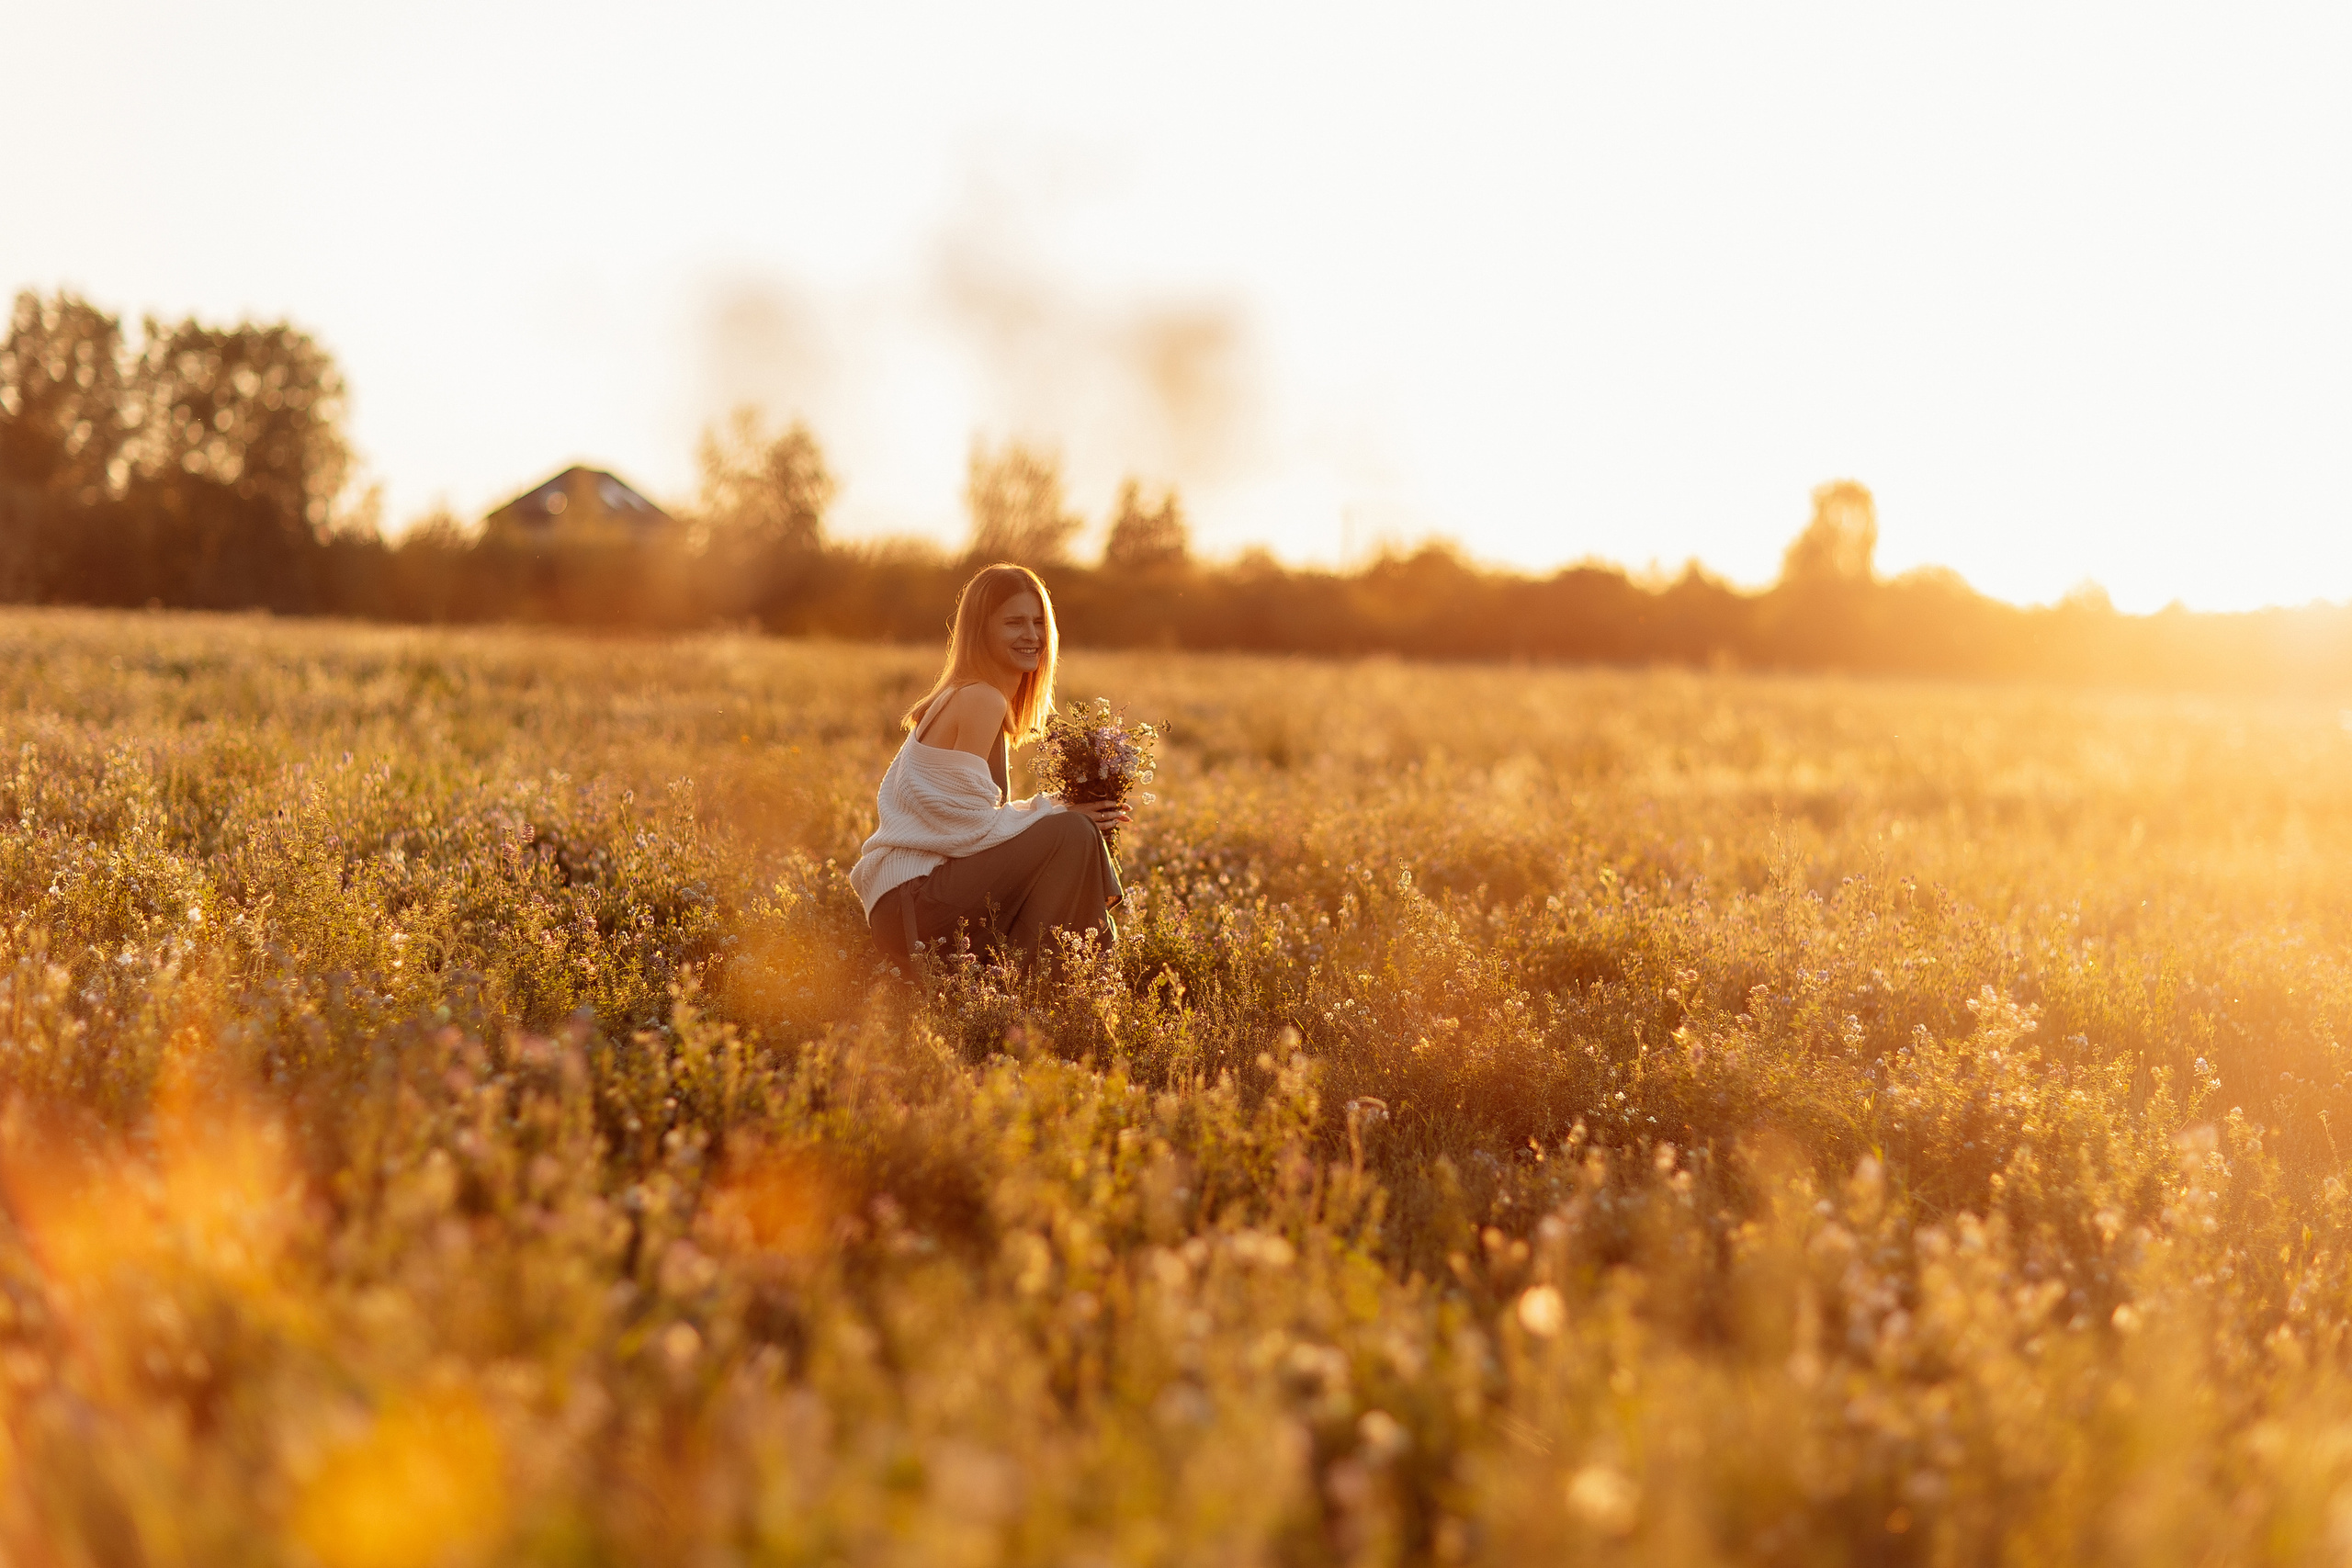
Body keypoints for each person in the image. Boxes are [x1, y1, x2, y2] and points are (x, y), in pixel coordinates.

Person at [850, 562, 1129, 971]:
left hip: (908, 908)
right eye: (1014, 622)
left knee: (1069, 829)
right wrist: (1058, 813)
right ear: (980, 631)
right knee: (1071, 830)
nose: (1032, 635)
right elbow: (971, 831)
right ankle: (1076, 981)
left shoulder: (973, 697)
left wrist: (1056, 807)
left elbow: (974, 824)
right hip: (914, 907)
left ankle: (1035, 981)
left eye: (1038, 622)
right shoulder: (981, 699)